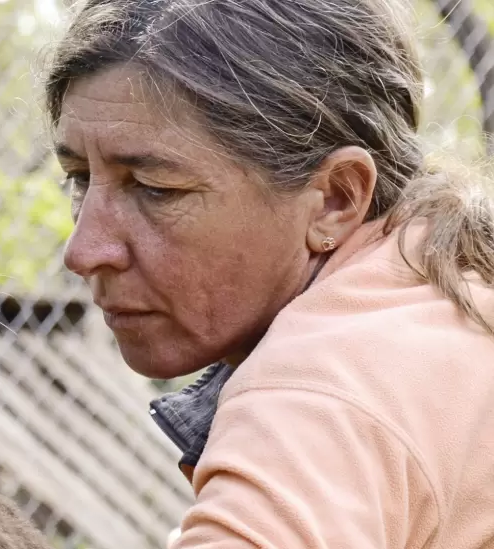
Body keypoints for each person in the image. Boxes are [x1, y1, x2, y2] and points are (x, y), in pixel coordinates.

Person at [43, 0, 494, 547]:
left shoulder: (320, 392)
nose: (84, 250)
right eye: (78, 177)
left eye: (155, 189)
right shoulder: (445, 286)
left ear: (334, 198)